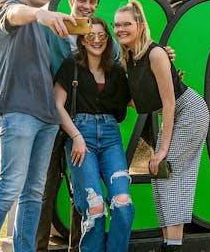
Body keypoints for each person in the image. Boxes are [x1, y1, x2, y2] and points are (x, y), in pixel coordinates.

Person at [0, 0, 77, 252]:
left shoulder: (42, 33)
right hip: (18, 112)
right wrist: (40, 14)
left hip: (48, 118)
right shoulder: (7, 7)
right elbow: (16, 15)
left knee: (33, 193)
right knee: (9, 189)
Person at [114, 0, 210, 252]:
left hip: (188, 111)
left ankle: (174, 246)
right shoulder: (129, 59)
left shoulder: (155, 54)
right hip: (172, 114)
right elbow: (141, 101)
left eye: (126, 24)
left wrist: (162, 149)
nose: (120, 29)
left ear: (139, 25)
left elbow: (169, 103)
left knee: (170, 171)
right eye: (117, 25)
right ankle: (168, 243)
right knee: (161, 176)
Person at [36, 0, 111, 252]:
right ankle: (37, 246)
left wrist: (160, 55)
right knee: (45, 187)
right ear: (71, 0)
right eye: (82, 0)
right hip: (51, 119)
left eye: (93, 1)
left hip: (85, 123)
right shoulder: (49, 27)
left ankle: (80, 247)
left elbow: (120, 64)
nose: (87, 6)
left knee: (84, 189)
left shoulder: (100, 37)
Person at [54, 17, 134, 251]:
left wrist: (165, 76)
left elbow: (135, 102)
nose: (96, 40)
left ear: (108, 40)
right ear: (82, 39)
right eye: (91, 35)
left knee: (122, 202)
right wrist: (76, 137)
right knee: (95, 205)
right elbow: (57, 106)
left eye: (102, 36)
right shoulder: (72, 65)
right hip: (81, 136)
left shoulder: (116, 72)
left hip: (111, 137)